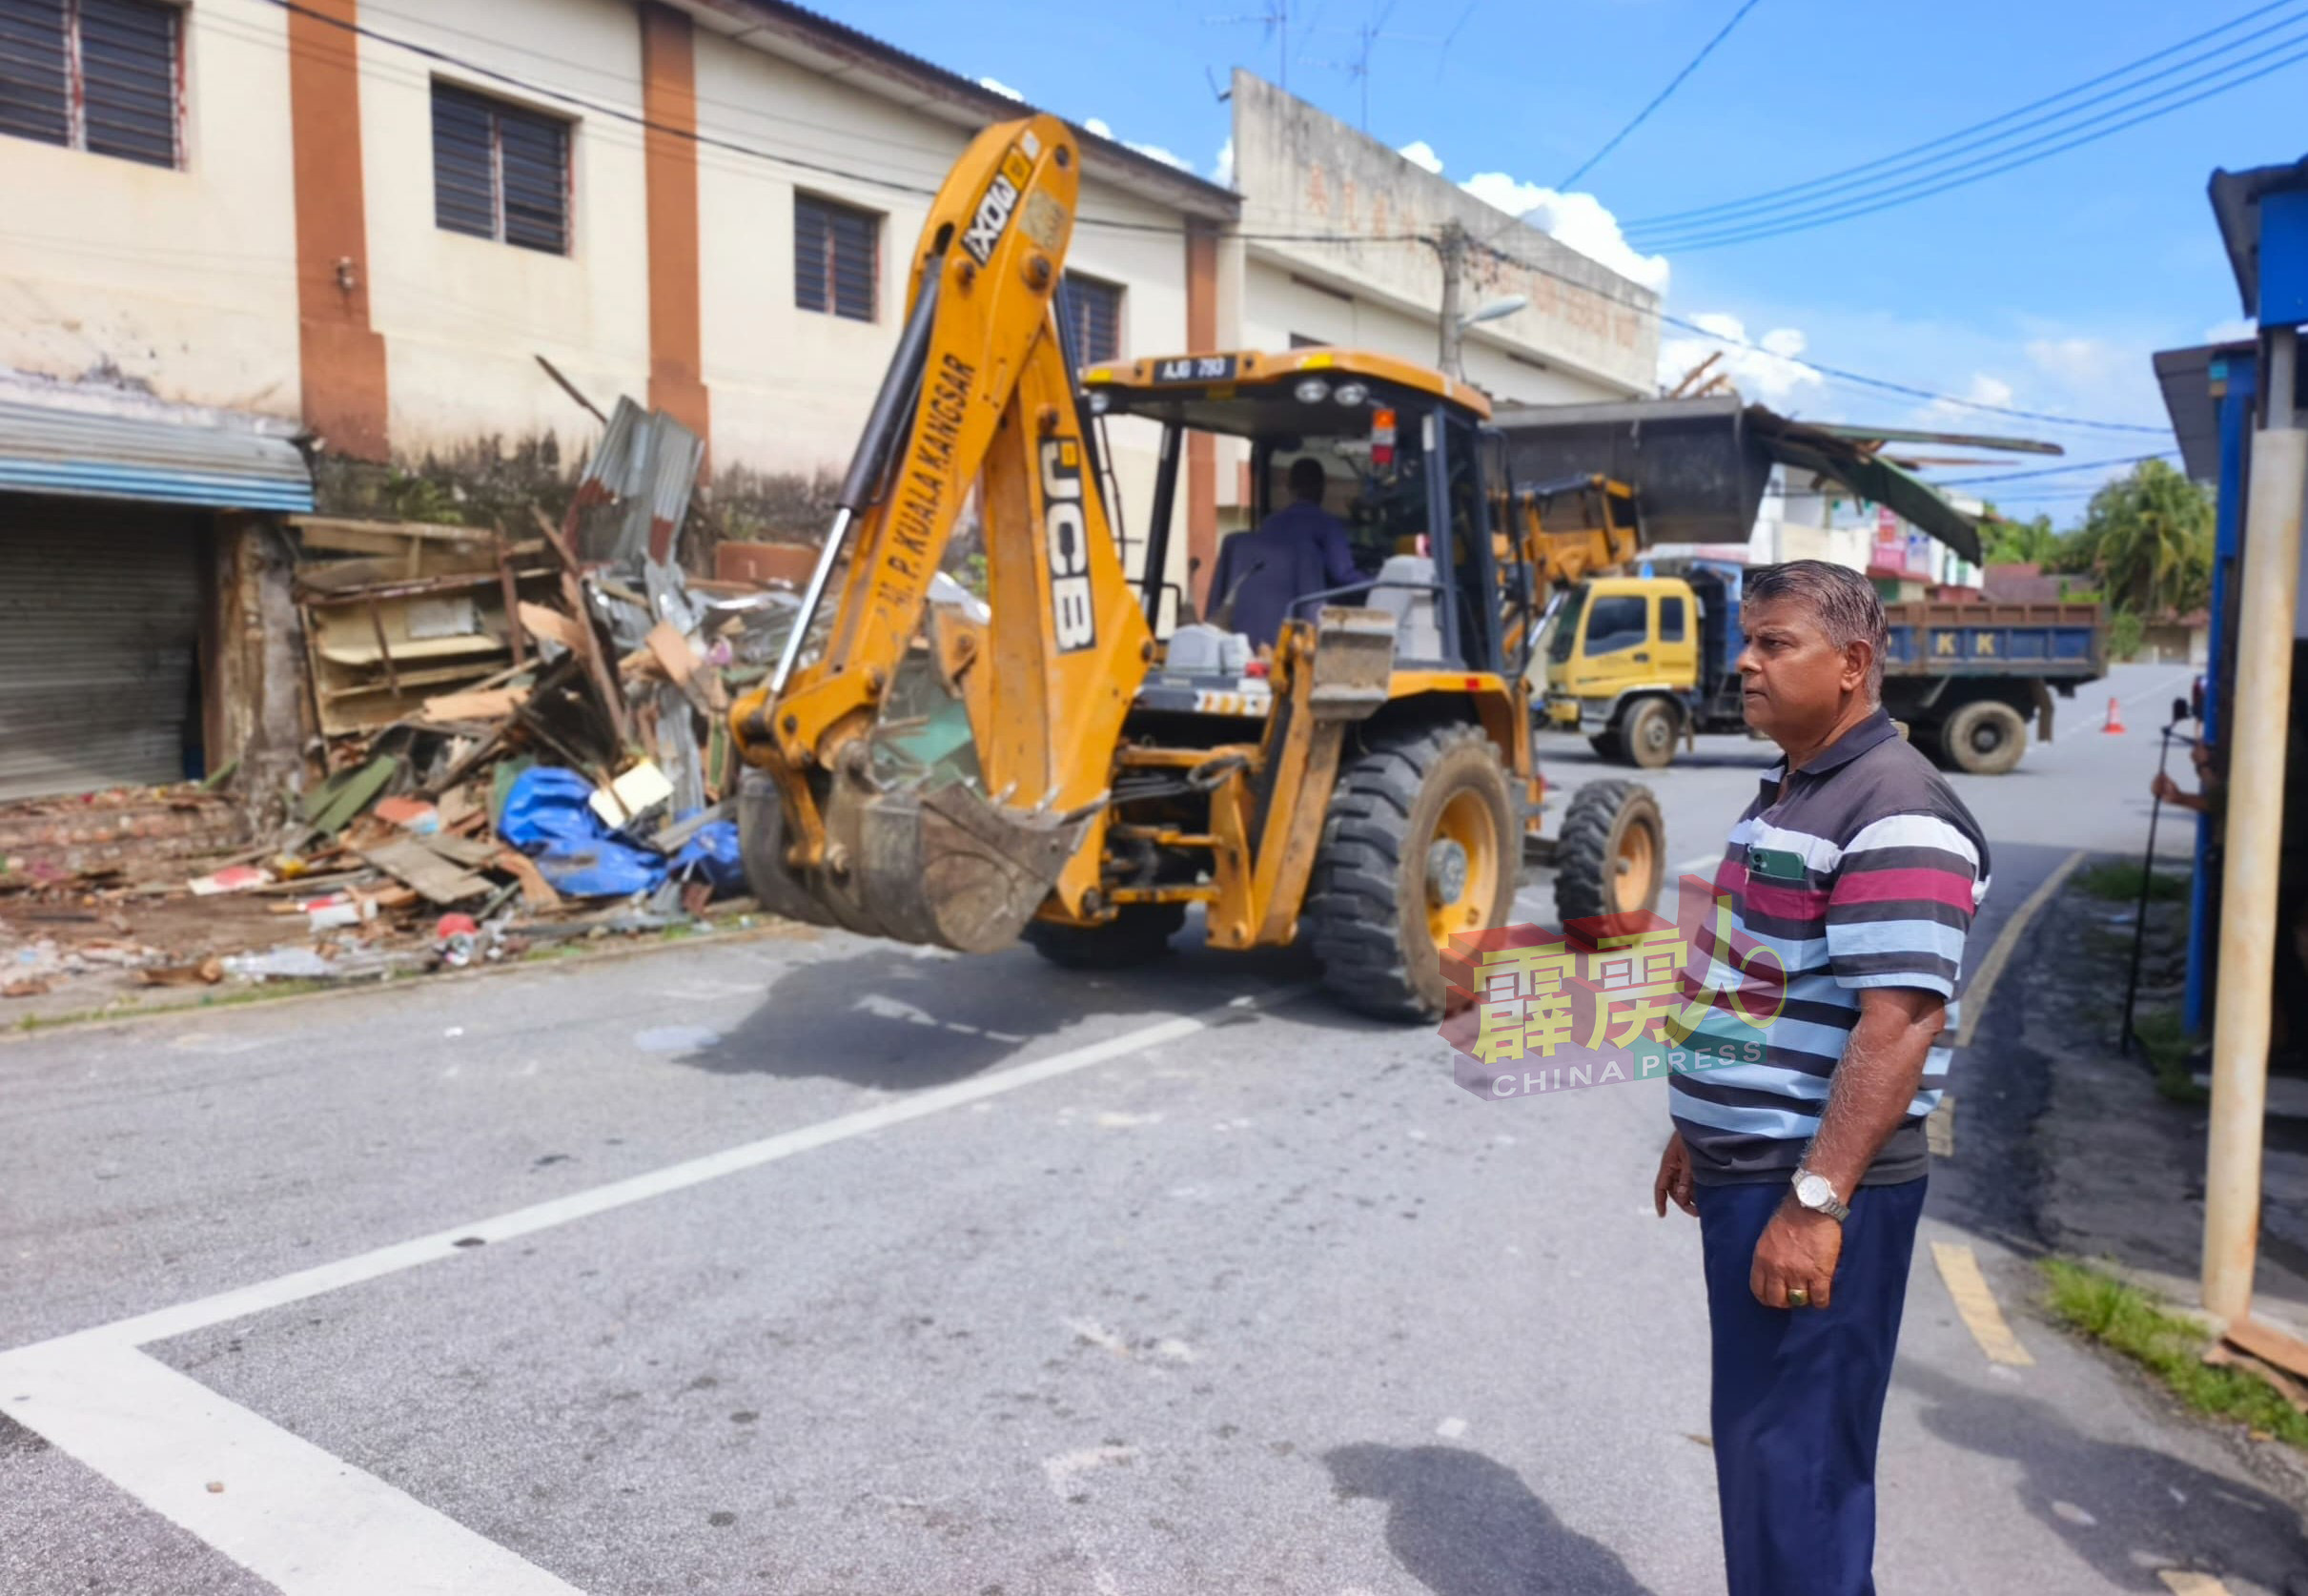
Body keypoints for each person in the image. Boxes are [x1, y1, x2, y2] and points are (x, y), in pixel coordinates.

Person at [1653, 560, 1989, 1596]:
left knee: (1800, 1466)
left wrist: (1815, 1199)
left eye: (1772, 643)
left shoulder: (1896, 812)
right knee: (1762, 1449)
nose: (1743, 662)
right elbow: (1761, 982)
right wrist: (1696, 1124)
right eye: (1745, 640)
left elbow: (1898, 1027)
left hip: (1812, 1189)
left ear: (1852, 664)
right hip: (1755, 1171)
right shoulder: (1800, 787)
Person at [1207, 456, 1362, 649]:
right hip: (1301, 638)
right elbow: (1343, 575)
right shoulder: (1327, 526)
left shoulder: (1270, 523)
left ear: (1289, 487)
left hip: (1249, 635)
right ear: (1321, 487)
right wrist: (1378, 581)